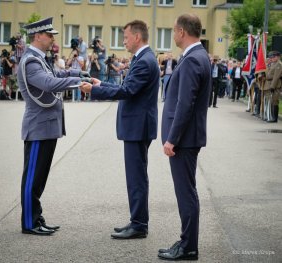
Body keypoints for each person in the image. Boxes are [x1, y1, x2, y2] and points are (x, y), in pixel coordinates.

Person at [81, 20, 160, 239]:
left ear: (137, 37)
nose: (123, 41)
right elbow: (126, 88)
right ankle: (137, 221)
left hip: (138, 127)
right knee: (136, 177)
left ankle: (139, 225)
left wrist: (94, 91)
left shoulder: (144, 61)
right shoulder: (142, 58)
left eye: (125, 37)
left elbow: (127, 91)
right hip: (137, 126)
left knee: (136, 178)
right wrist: (101, 85)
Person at [17, 17, 83, 236]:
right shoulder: (31, 61)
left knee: (39, 177)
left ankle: (36, 216)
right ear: (38, 36)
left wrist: (78, 74)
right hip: (38, 127)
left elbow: (56, 75)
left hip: (46, 126)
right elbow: (48, 83)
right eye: (49, 35)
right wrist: (77, 83)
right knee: (33, 178)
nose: (53, 38)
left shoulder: (40, 59)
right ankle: (29, 222)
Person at [159, 14, 211, 261]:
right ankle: (186, 241)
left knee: (186, 193)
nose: (173, 34)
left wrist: (172, 139)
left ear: (181, 31)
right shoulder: (198, 55)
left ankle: (189, 246)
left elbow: (184, 104)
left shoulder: (192, 60)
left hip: (184, 139)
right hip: (189, 137)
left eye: (173, 30)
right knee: (187, 191)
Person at [264, 51, 282, 123]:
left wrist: (272, 86)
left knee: (274, 101)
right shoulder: (273, 64)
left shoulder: (279, 64)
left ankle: (275, 118)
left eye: (274, 57)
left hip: (276, 85)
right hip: (271, 83)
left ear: (278, 57)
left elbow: (276, 76)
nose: (272, 58)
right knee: (271, 101)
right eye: (272, 57)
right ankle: (271, 116)